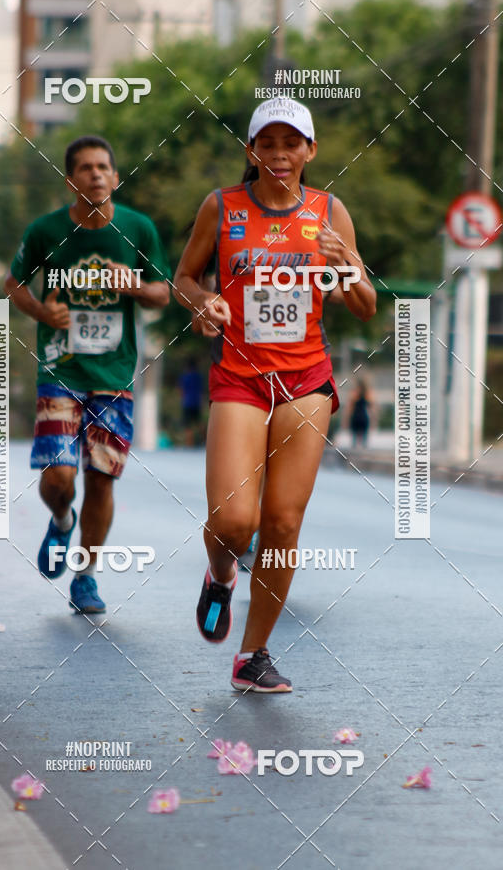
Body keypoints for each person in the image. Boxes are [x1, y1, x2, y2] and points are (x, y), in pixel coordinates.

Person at [174, 98, 376, 692]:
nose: (281, 154)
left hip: (305, 379)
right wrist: (202, 303)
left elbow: (364, 307)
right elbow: (184, 277)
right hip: (240, 375)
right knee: (236, 521)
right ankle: (220, 576)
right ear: (252, 150)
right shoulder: (222, 206)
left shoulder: (330, 212)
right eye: (269, 143)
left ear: (311, 152)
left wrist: (348, 270)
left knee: (282, 523)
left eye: (293, 144)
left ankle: (253, 655)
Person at [4, 135, 171, 614]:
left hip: (114, 374)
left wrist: (134, 285)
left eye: (103, 167)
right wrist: (41, 312)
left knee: (102, 478)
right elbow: (12, 283)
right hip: (61, 368)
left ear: (116, 178)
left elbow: (164, 292)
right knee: (60, 477)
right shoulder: (46, 231)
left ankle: (87, 575)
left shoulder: (138, 229)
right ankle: (60, 520)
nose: (96, 174)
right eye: (85, 168)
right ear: (69, 181)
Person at [179, 358, 203, 446]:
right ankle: (204, 441)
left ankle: (189, 444)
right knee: (198, 423)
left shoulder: (185, 377)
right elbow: (201, 390)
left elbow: (182, 391)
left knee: (188, 425)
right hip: (197, 402)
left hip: (187, 403)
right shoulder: (198, 377)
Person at [346, 378, 375, 448]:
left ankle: (355, 452)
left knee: (354, 441)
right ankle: (363, 452)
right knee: (363, 441)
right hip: (363, 417)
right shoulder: (367, 394)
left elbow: (349, 408)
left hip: (356, 417)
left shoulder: (354, 393)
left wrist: (347, 419)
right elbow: (372, 406)